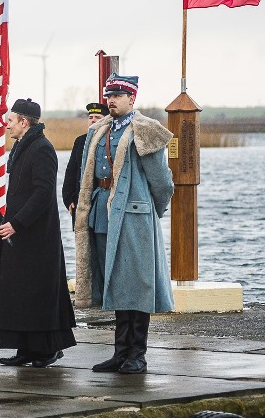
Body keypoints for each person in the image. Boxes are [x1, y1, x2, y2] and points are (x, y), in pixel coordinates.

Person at [74, 73, 174, 374]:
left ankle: (137, 355)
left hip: (134, 217)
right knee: (115, 285)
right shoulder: (98, 131)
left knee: (137, 285)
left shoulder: (146, 130)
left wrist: (149, 212)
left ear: (132, 98)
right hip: (103, 217)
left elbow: (162, 182)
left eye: (118, 95)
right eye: (109, 95)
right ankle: (120, 353)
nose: (111, 100)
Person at [0, 98, 76, 367]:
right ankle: (25, 348)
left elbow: (43, 193)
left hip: (37, 237)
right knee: (18, 292)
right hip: (18, 234)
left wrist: (17, 223)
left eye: (10, 121)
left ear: (24, 122)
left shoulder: (42, 149)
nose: (6, 125)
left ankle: (47, 349)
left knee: (38, 293)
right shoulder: (24, 146)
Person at [62, 102, 109, 224]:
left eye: (97, 118)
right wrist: (68, 199)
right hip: (80, 201)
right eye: (90, 117)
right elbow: (71, 172)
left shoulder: (110, 141)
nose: (93, 121)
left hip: (102, 200)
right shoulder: (80, 141)